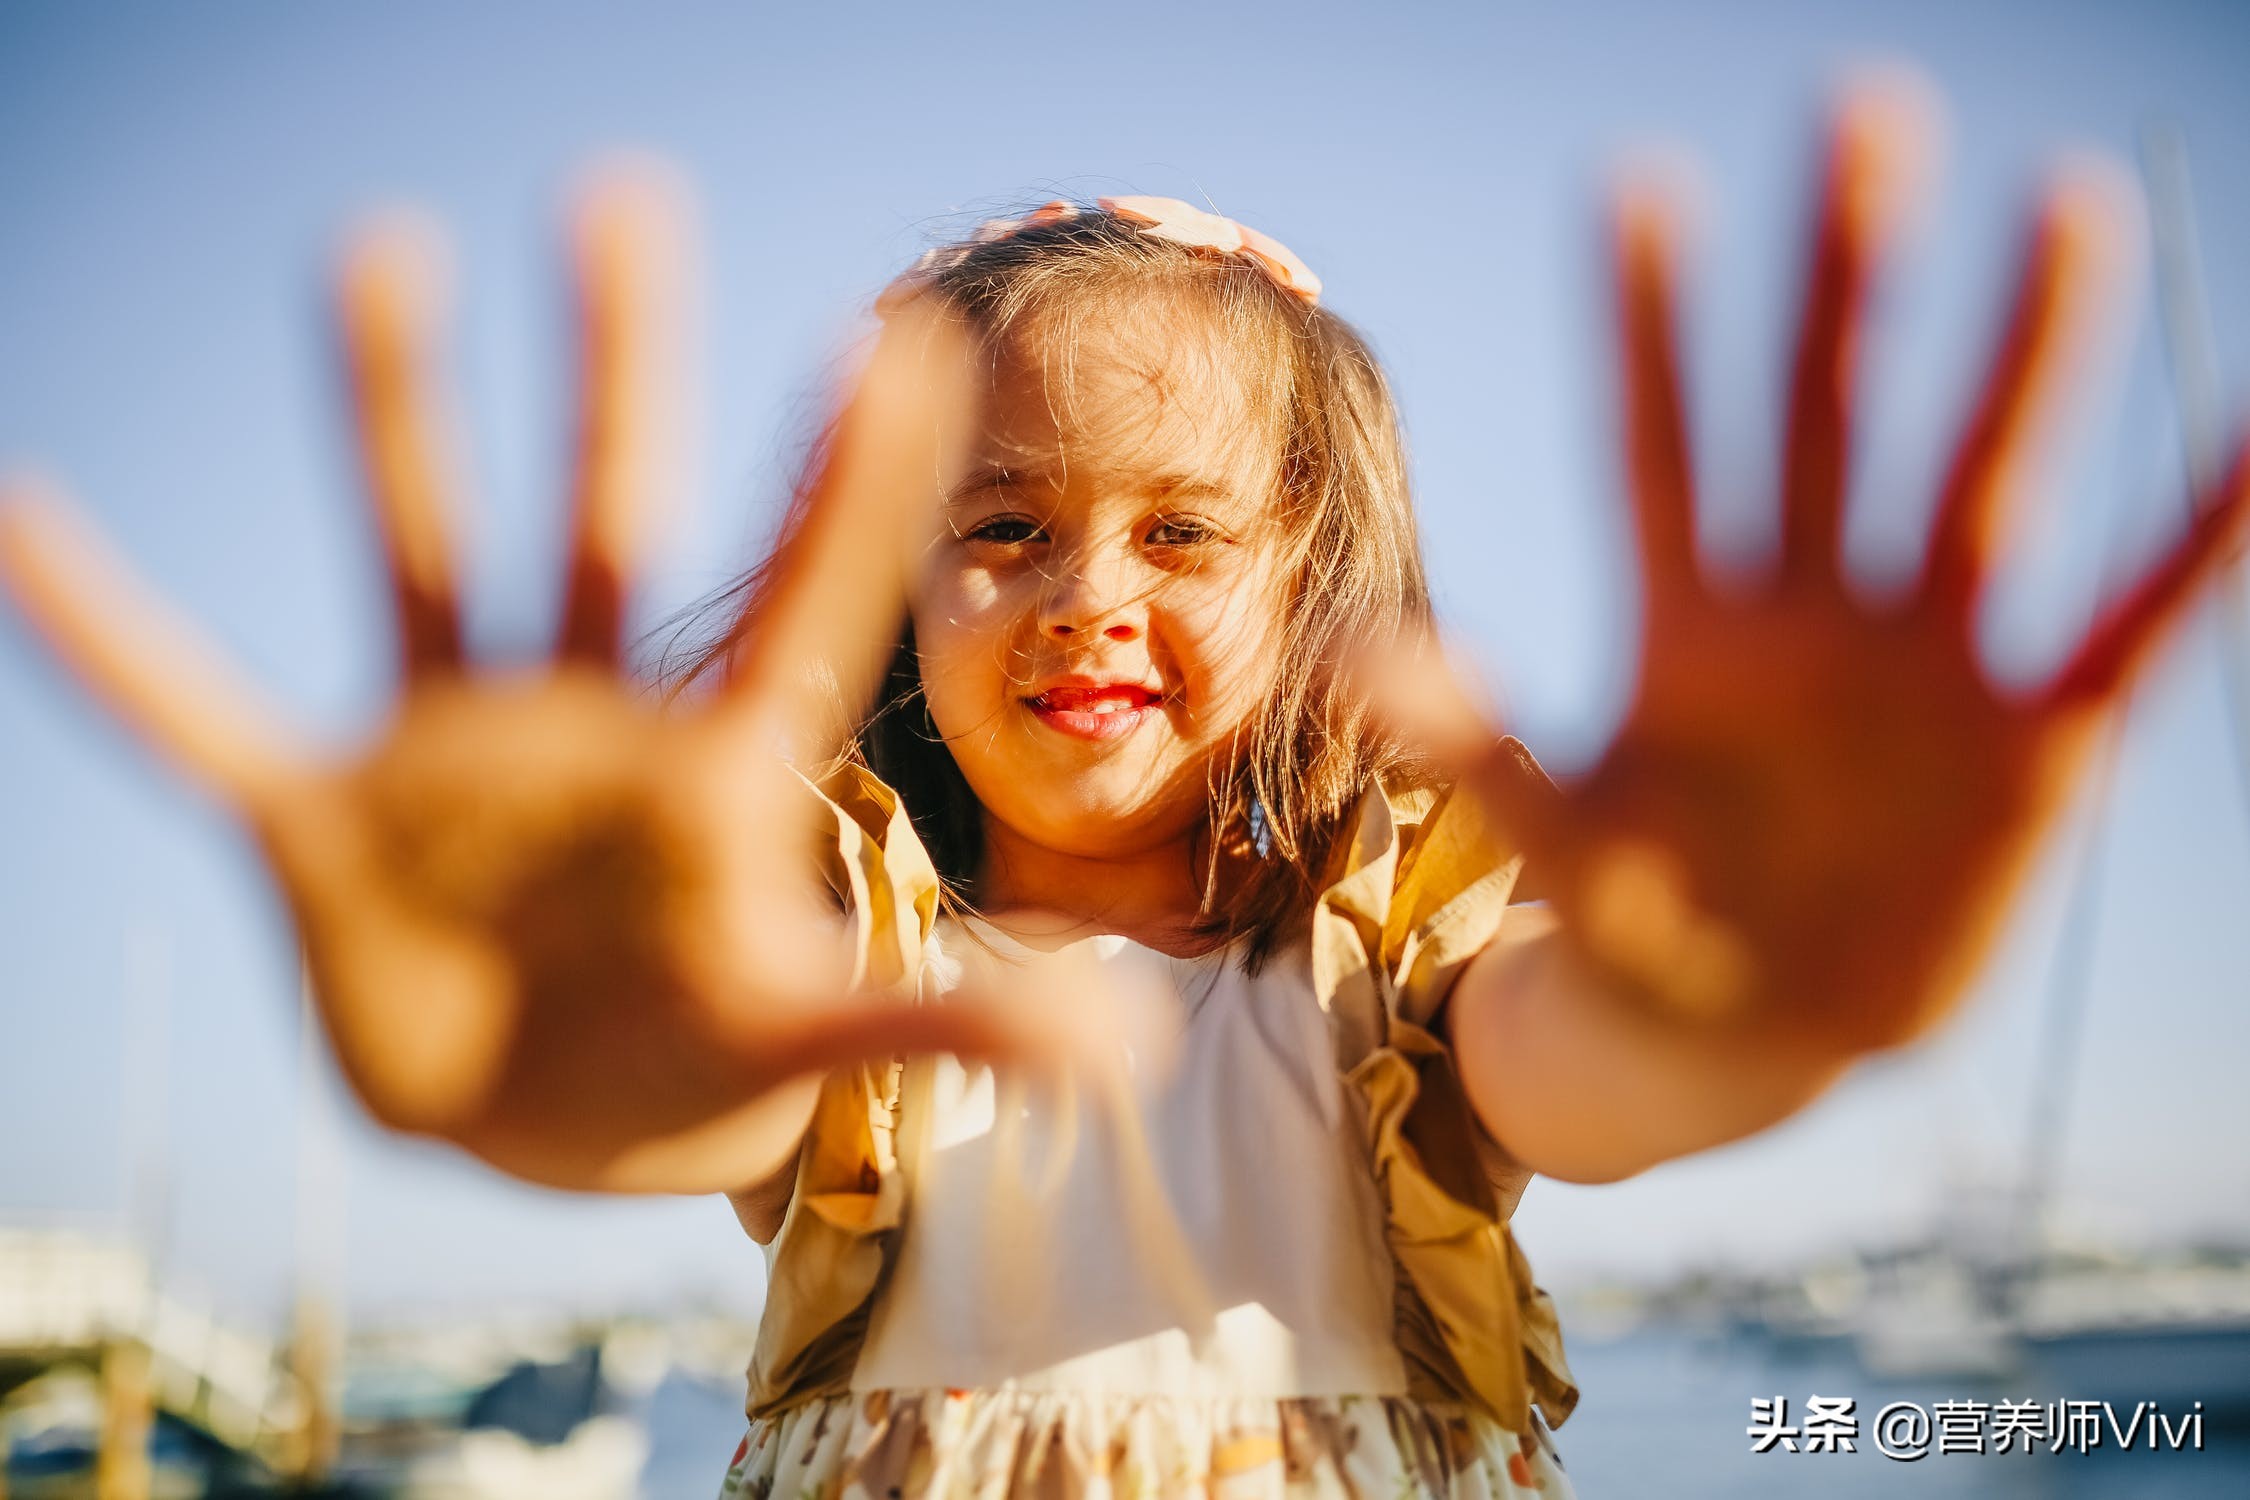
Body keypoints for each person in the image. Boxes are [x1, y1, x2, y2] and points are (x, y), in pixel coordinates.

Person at [1, 75, 2245, 1500]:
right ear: (892, 588)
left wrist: (1745, 1005)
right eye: (1002, 526)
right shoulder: (849, 936)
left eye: (1180, 532)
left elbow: (1588, 1065)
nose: (1087, 596)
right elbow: (693, 1082)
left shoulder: (1384, 939)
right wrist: (548, 1073)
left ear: (1317, 579)